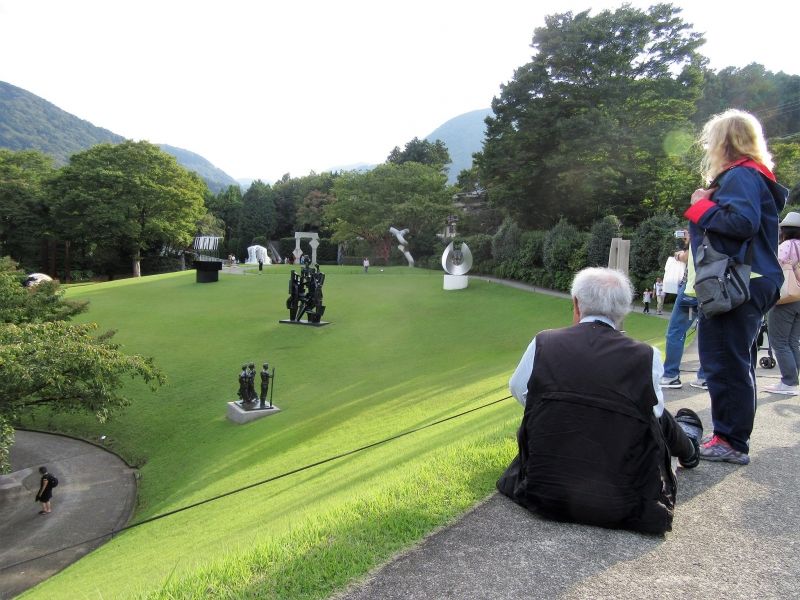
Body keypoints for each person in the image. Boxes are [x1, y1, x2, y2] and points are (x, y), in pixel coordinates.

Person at [497, 267, 703, 534]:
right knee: (655, 415)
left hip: (544, 494)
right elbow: (653, 416)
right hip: (619, 502)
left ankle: (688, 445)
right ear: (624, 310)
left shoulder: (544, 341)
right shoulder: (645, 355)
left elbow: (518, 389)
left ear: (576, 304)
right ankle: (689, 448)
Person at [685, 109, 788, 465]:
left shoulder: (741, 175)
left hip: (738, 282)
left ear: (724, 142)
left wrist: (700, 207)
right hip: (752, 279)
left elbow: (742, 223)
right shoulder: (754, 176)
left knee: (724, 362)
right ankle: (729, 436)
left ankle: (730, 441)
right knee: (733, 361)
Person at [660, 235, 707, 390]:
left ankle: (671, 375)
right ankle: (705, 376)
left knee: (676, 332)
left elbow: (686, 257)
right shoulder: (721, 233)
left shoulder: (698, 234)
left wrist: (682, 250)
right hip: (712, 291)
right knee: (707, 335)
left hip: (690, 292)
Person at [764, 212, 800, 395]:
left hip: (786, 297)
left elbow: (773, 265)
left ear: (785, 230)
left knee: (779, 341)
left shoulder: (786, 245)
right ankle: (794, 380)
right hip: (799, 298)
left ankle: (789, 382)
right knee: (793, 340)